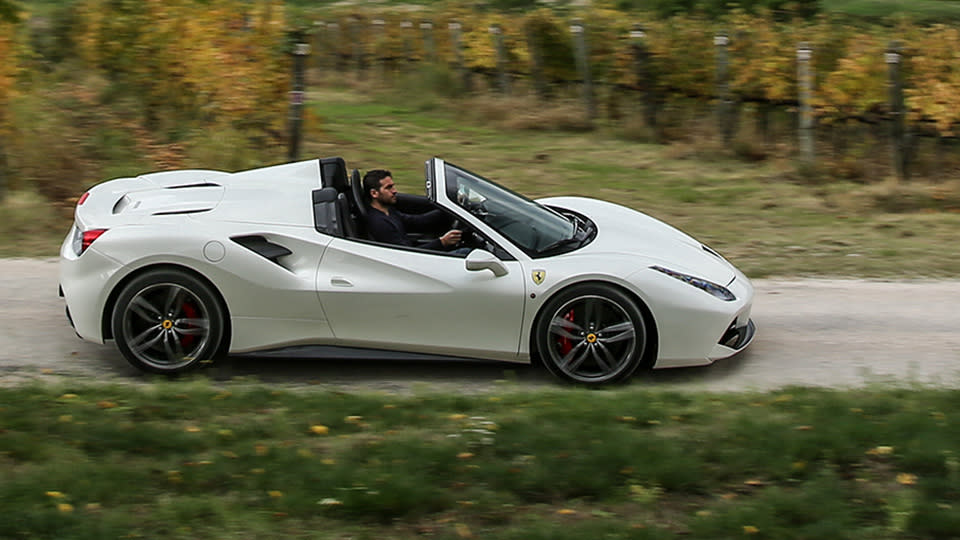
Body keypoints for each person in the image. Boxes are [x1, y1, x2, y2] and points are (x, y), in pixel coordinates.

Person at [362, 169, 462, 251]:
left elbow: (418, 221)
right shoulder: (379, 223)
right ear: (374, 193)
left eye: (393, 186)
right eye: (388, 188)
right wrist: (442, 242)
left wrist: (449, 208)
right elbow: (406, 254)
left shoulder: (388, 212)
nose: (394, 191)